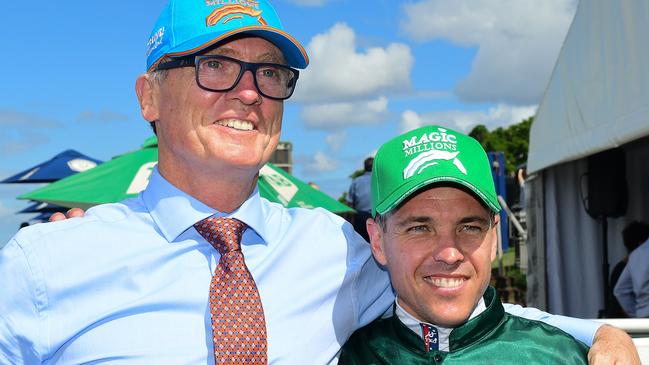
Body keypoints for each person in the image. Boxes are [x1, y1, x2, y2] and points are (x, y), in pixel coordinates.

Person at [0, 1, 638, 364]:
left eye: (270, 73)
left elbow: (452, 294)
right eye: (215, 65)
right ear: (150, 96)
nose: (248, 91)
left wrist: (597, 334)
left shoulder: (338, 251)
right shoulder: (47, 265)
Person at [339, 125, 590, 363]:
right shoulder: (346, 356)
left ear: (494, 237)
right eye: (420, 228)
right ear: (378, 241)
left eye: (469, 227)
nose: (449, 254)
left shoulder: (561, 357)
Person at [609, 221, 649, 317]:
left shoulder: (632, 258)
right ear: (641, 242)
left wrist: (636, 316)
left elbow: (619, 291)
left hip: (641, 319)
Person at [346, 157, 374, 241]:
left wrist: (348, 221)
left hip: (360, 218)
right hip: (376, 217)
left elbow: (350, 204)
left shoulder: (356, 181)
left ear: (364, 167)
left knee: (361, 244)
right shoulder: (379, 180)